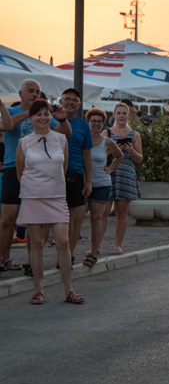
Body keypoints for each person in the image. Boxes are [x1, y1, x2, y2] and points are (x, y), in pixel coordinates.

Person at [14, 99, 84, 305]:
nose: (43, 118)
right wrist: (35, 188)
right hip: (33, 197)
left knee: (63, 242)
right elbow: (20, 172)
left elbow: (63, 168)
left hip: (57, 196)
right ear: (31, 118)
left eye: (46, 114)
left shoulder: (61, 139)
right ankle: (38, 289)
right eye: (38, 114)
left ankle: (69, 290)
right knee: (36, 244)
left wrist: (52, 186)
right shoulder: (24, 143)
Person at [0, 80, 71, 273]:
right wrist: (30, 112)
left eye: (38, 92)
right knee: (7, 219)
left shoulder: (43, 114)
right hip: (13, 168)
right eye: (30, 91)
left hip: (40, 172)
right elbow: (6, 126)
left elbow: (65, 133)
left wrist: (62, 119)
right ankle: (3, 258)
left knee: (36, 220)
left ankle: (31, 263)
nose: (34, 94)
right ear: (20, 94)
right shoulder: (12, 111)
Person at [83, 108, 123, 266]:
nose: (96, 124)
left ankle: (94, 251)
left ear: (103, 124)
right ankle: (69, 252)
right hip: (83, 184)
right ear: (88, 122)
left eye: (99, 122)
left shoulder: (107, 142)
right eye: (93, 121)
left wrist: (110, 169)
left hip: (101, 183)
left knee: (96, 218)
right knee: (77, 218)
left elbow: (119, 156)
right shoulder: (83, 139)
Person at [103, 102, 143, 254]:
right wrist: (113, 150)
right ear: (114, 115)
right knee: (103, 212)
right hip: (109, 173)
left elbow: (139, 159)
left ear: (128, 115)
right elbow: (99, 154)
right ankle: (96, 245)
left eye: (124, 113)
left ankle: (118, 245)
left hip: (126, 173)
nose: (121, 116)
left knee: (122, 212)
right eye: (118, 113)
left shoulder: (134, 134)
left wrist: (131, 151)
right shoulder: (107, 133)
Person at [59, 88, 93, 261]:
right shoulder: (50, 121)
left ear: (79, 105)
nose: (71, 102)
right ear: (61, 101)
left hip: (75, 175)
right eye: (68, 99)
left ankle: (68, 255)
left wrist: (88, 181)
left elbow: (87, 154)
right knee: (55, 219)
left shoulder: (83, 125)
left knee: (74, 218)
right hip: (53, 175)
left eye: (75, 100)